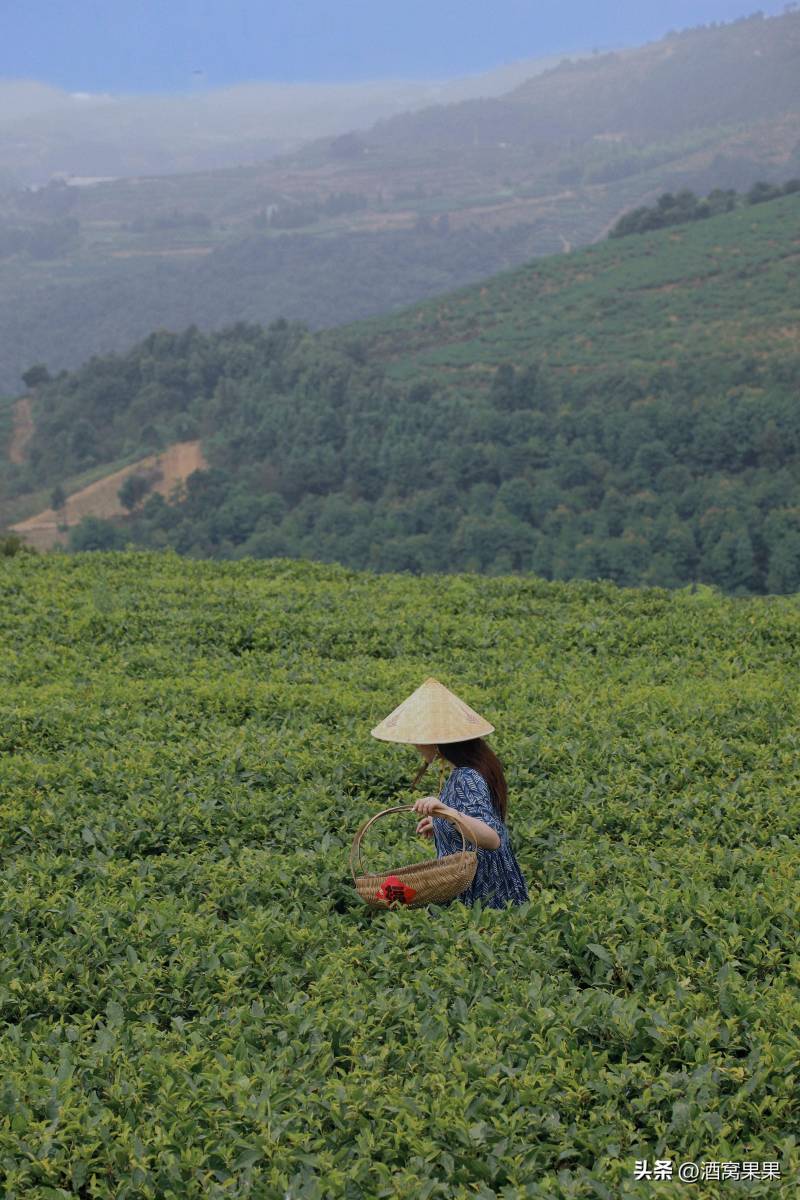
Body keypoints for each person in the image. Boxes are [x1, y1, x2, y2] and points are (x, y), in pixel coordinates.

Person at [370, 676, 529, 910]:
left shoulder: (467, 777)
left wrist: (447, 811)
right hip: (488, 885)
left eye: (418, 738)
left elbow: (492, 837)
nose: (415, 745)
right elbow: (474, 818)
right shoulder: (474, 767)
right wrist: (441, 823)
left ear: (437, 742)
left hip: (482, 895)